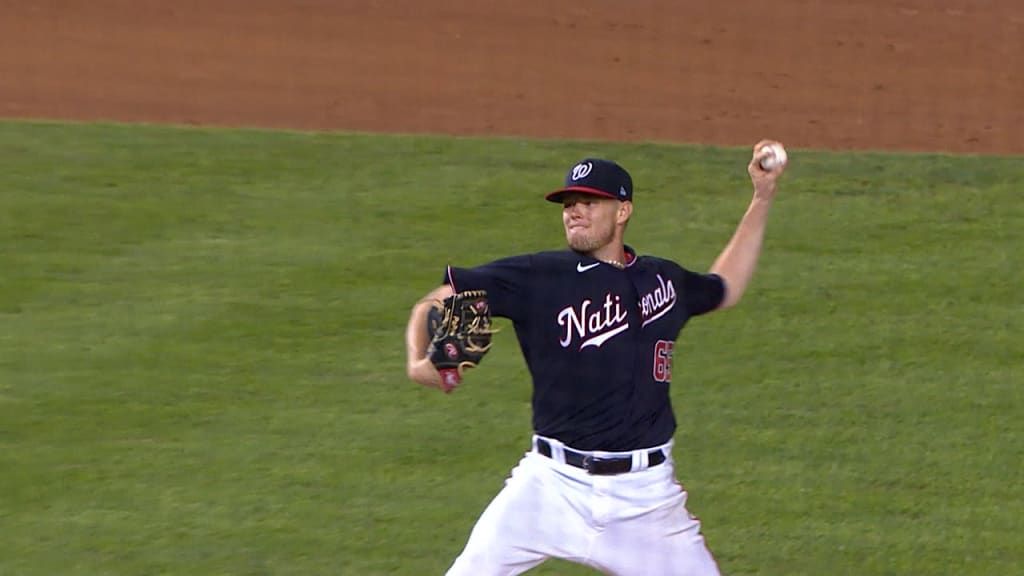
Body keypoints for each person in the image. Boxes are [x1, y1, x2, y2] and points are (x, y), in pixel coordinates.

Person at [405, 140, 787, 575]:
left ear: (622, 211)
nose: (574, 210)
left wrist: (762, 197)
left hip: (647, 502)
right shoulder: (538, 277)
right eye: (569, 202)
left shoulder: (663, 280)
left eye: (590, 201)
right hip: (549, 488)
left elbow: (725, 287)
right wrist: (420, 361)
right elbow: (436, 301)